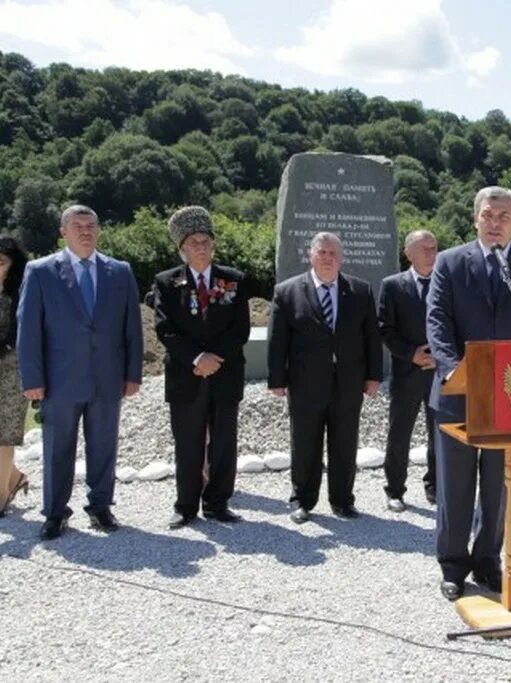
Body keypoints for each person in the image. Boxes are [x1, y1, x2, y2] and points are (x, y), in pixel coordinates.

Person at [426, 186, 511, 601]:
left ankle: (487, 560)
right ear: (475, 218)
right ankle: (452, 564)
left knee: (500, 485)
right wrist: (452, 370)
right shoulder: (449, 262)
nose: (495, 222)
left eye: (504, 216)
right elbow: (438, 322)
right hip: (458, 392)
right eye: (488, 214)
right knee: (455, 485)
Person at [17, 205, 143, 539]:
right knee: (58, 449)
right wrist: (32, 379)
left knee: (104, 446)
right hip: (59, 381)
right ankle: (56, 513)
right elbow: (28, 330)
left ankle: (100, 508)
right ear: (64, 231)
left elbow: (132, 327)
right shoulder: (40, 271)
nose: (86, 231)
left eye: (91, 225)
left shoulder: (120, 272)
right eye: (78, 226)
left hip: (107, 378)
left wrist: (133, 373)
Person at [267, 232, 382, 523]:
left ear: (341, 258)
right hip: (305, 383)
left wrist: (374, 377)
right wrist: (276, 379)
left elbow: (371, 337)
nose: (328, 258)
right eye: (322, 253)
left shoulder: (360, 290)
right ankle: (302, 500)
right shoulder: (287, 291)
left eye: (333, 253)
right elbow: (277, 340)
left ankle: (342, 500)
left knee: (345, 442)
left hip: (348, 383)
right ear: (311, 256)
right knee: (305, 443)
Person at [153, 207, 251, 530]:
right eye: (193, 241)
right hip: (186, 375)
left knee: (224, 442)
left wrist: (214, 359)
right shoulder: (167, 283)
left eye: (206, 240)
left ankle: (218, 502)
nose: (201, 246)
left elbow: (240, 330)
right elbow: (165, 330)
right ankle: (186, 506)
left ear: (214, 244)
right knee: (188, 442)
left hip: (225, 373)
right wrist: (197, 359)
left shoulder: (233, 280)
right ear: (182, 248)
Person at [378, 229, 439, 512]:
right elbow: (385, 329)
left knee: (439, 433)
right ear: (408, 253)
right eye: (424, 248)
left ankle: (436, 487)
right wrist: (411, 354)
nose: (431, 253)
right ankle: (395, 490)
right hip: (407, 373)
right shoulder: (392, 285)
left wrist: (444, 356)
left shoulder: (447, 283)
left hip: (441, 373)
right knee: (400, 433)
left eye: (434, 247)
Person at [0, 236, 29, 516]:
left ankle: (2, 496)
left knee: (4, 435)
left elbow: (15, 333)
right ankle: (16, 477)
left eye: (1, 262)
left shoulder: (20, 292)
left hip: (11, 368)